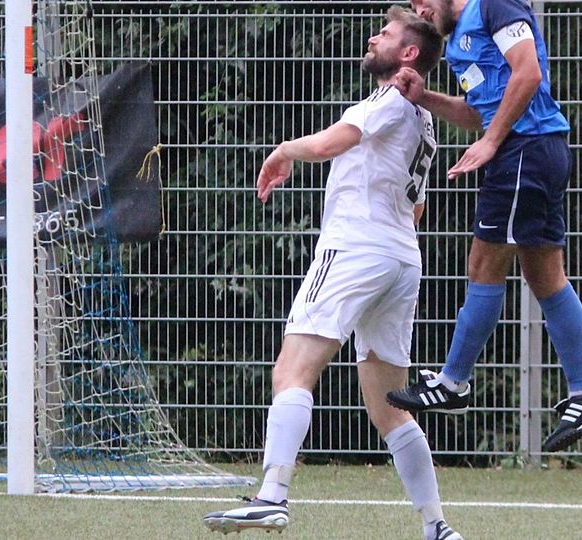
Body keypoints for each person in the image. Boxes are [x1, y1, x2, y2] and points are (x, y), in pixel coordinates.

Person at [203, 8, 463, 540]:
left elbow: (327, 145)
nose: (375, 37)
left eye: (386, 34)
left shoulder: (389, 99)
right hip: (400, 258)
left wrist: (283, 152)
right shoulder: (424, 118)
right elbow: (415, 209)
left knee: (292, 370)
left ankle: (271, 497)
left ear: (408, 54)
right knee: (390, 407)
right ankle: (436, 527)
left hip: (355, 248)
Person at [385, 0, 582, 453]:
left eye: (421, 0)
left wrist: (492, 142)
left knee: (483, 263)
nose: (419, 9)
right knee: (545, 276)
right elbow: (479, 111)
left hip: (524, 151)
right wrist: (425, 98)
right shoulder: (459, 41)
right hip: (533, 150)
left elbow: (527, 74)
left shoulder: (494, 4)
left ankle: (453, 382)